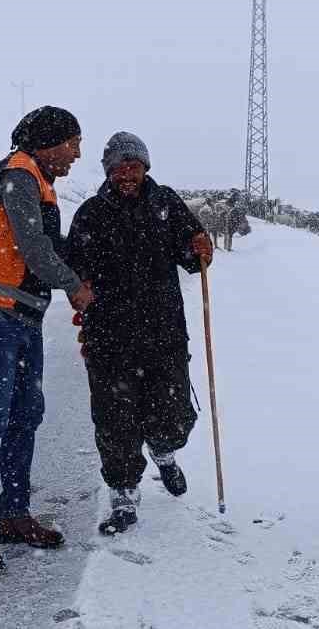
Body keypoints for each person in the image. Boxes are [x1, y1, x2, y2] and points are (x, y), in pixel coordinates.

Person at [0, 105, 94, 572]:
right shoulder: (19, 175)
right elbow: (33, 248)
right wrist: (74, 286)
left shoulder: (41, 183)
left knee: (26, 414)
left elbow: (50, 249)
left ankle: (13, 514)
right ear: (51, 141)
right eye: (74, 143)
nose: (77, 155)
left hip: (22, 317)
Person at [65, 131, 214, 535]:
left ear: (145, 167)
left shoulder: (165, 203)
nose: (125, 175)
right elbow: (73, 266)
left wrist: (202, 250)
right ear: (108, 172)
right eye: (117, 168)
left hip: (164, 333)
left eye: (132, 166)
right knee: (115, 422)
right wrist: (79, 286)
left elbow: (191, 255)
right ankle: (124, 492)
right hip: (110, 338)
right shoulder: (91, 213)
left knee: (171, 416)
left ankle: (164, 452)